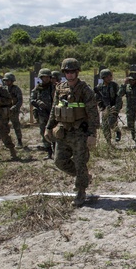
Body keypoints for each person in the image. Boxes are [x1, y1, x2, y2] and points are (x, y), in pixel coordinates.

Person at [45, 58, 100, 207]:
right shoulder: (60, 88)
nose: (70, 74)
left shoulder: (85, 90)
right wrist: (49, 127)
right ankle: (84, 177)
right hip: (63, 132)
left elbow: (93, 113)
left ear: (77, 72)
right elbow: (54, 109)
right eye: (67, 71)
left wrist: (92, 134)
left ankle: (81, 191)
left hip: (80, 132)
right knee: (59, 161)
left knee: (81, 162)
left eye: (72, 71)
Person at [30, 68, 56, 159]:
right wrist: (38, 102)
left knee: (55, 132)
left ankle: (56, 151)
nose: (45, 79)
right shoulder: (38, 88)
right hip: (42, 114)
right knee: (43, 132)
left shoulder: (54, 87)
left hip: (53, 113)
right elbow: (32, 99)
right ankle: (48, 152)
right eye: (43, 77)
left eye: (47, 77)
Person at [119, 69, 136, 148]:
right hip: (129, 109)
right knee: (131, 125)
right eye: (130, 80)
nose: (132, 81)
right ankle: (135, 139)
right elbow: (120, 94)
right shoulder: (127, 87)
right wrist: (124, 84)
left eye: (133, 80)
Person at [95, 69, 122, 146]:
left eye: (110, 76)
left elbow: (118, 97)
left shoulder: (114, 86)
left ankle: (117, 131)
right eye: (108, 76)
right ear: (103, 77)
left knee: (111, 123)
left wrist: (116, 107)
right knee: (105, 126)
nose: (110, 78)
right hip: (104, 109)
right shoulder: (99, 87)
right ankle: (109, 143)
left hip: (113, 108)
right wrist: (101, 106)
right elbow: (97, 98)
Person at [0, 72, 25, 149]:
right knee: (2, 126)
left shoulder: (16, 89)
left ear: (12, 81)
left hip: (13, 111)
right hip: (4, 110)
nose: (6, 82)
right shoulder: (3, 89)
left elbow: (20, 100)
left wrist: (15, 107)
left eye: (8, 80)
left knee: (16, 126)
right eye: (5, 81)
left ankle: (19, 141)